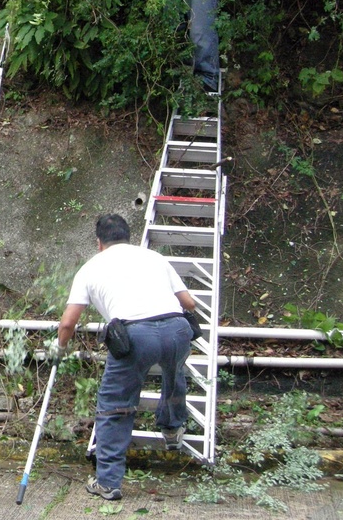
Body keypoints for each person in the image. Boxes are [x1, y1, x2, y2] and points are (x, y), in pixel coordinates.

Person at [50, 214, 197, 501]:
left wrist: (60, 347)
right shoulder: (154, 257)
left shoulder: (90, 268)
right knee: (174, 371)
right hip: (177, 328)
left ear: (99, 242)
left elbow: (68, 323)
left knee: (115, 406)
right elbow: (188, 302)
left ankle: (108, 482)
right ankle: (171, 427)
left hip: (134, 335)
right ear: (128, 236)